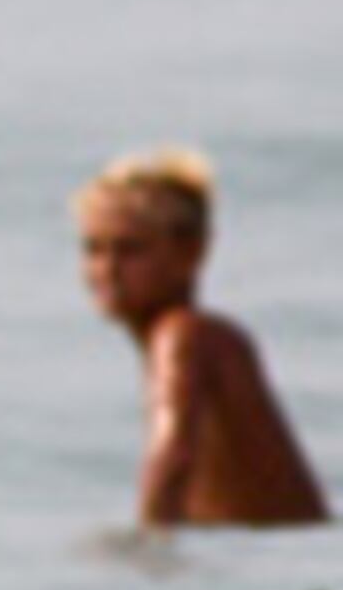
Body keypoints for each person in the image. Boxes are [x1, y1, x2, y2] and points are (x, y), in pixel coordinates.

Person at [74, 148, 329, 528]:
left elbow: (172, 458)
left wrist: (145, 555)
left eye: (130, 250)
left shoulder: (182, 337)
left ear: (192, 252)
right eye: (93, 249)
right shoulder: (206, 338)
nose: (106, 269)